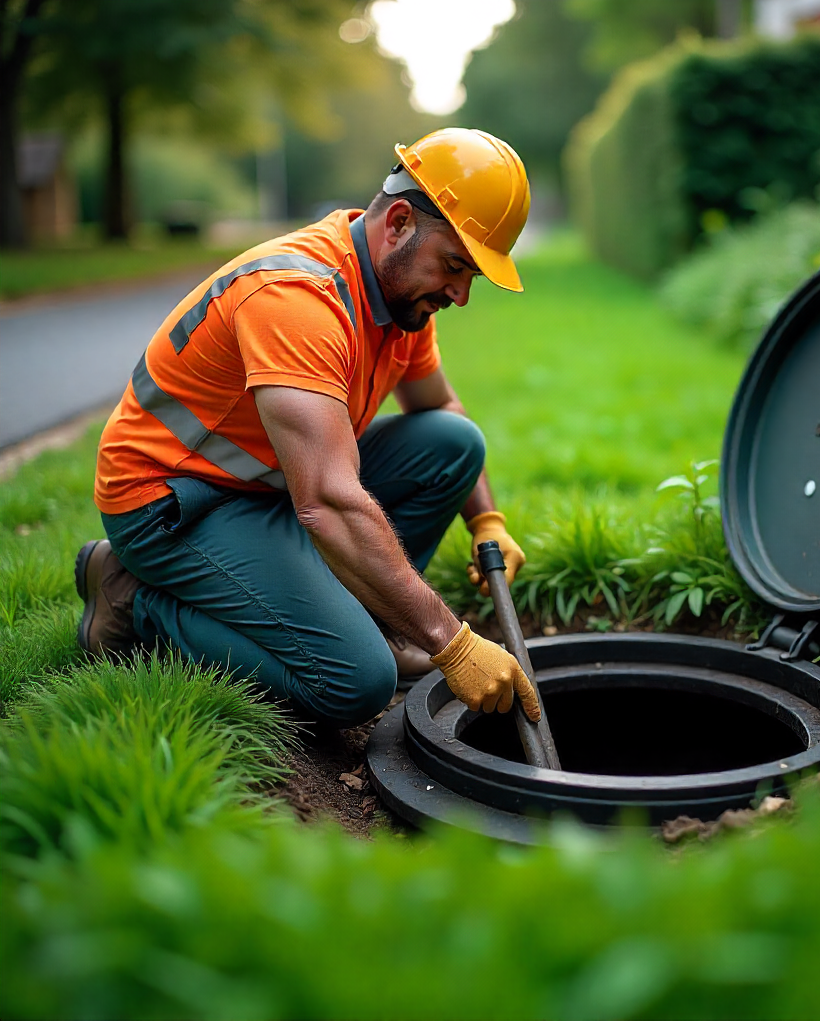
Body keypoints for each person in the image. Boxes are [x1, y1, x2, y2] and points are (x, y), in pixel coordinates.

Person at [75, 127, 541, 728]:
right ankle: (131, 597)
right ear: (399, 223)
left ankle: (368, 621)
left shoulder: (402, 300)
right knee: (356, 682)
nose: (461, 294)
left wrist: (486, 520)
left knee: (453, 445)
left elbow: (443, 409)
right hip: (174, 502)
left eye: (472, 275)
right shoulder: (297, 298)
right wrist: (452, 644)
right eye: (455, 265)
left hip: (272, 488)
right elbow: (326, 501)